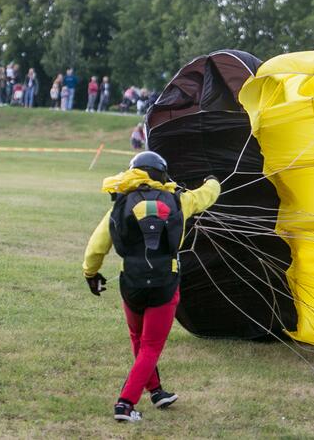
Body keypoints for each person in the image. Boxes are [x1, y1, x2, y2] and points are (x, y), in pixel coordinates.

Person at [82, 151, 221, 423]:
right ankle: (125, 404)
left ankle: (156, 391)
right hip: (164, 284)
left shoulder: (119, 205)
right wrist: (213, 178)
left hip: (131, 283)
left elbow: (97, 245)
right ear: (162, 174)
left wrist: (91, 273)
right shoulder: (180, 200)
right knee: (151, 346)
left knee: (139, 340)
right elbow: (209, 194)